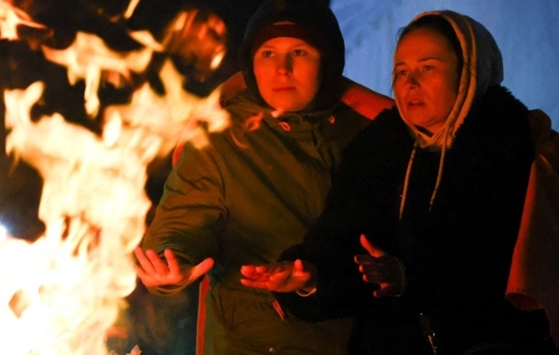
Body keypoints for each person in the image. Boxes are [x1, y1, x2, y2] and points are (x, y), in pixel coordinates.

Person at [240, 10, 558, 354]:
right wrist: (310, 280)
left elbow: (507, 272)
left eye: (428, 67)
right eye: (401, 71)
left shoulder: (516, 150)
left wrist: (409, 277)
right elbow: (342, 250)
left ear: (470, 72)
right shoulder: (378, 154)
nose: (410, 83)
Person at [134, 0, 393, 353]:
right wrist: (171, 262)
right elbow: (181, 224)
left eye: (299, 52)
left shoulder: (374, 131)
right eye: (268, 53)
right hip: (254, 340)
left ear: (327, 61)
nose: (282, 69)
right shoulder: (221, 136)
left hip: (359, 338)